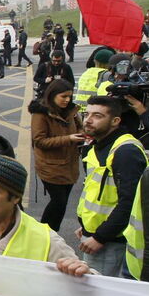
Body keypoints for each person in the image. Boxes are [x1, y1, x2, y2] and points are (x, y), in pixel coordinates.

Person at [77, 96, 148, 276]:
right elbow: (95, 191)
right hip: (96, 234)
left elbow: (129, 202)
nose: (88, 120)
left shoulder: (125, 152)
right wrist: (85, 225)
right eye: (87, 114)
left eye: (98, 116)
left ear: (115, 121)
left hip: (110, 241)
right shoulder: (98, 145)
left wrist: (100, 236)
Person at [29, 79, 84, 232]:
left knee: (62, 203)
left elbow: (79, 126)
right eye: (63, 97)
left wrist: (81, 135)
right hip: (50, 166)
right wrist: (69, 139)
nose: (67, 100)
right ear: (53, 95)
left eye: (69, 97)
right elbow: (39, 141)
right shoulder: (41, 114)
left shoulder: (71, 110)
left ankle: (52, 233)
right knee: (58, 202)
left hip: (70, 164)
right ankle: (45, 233)